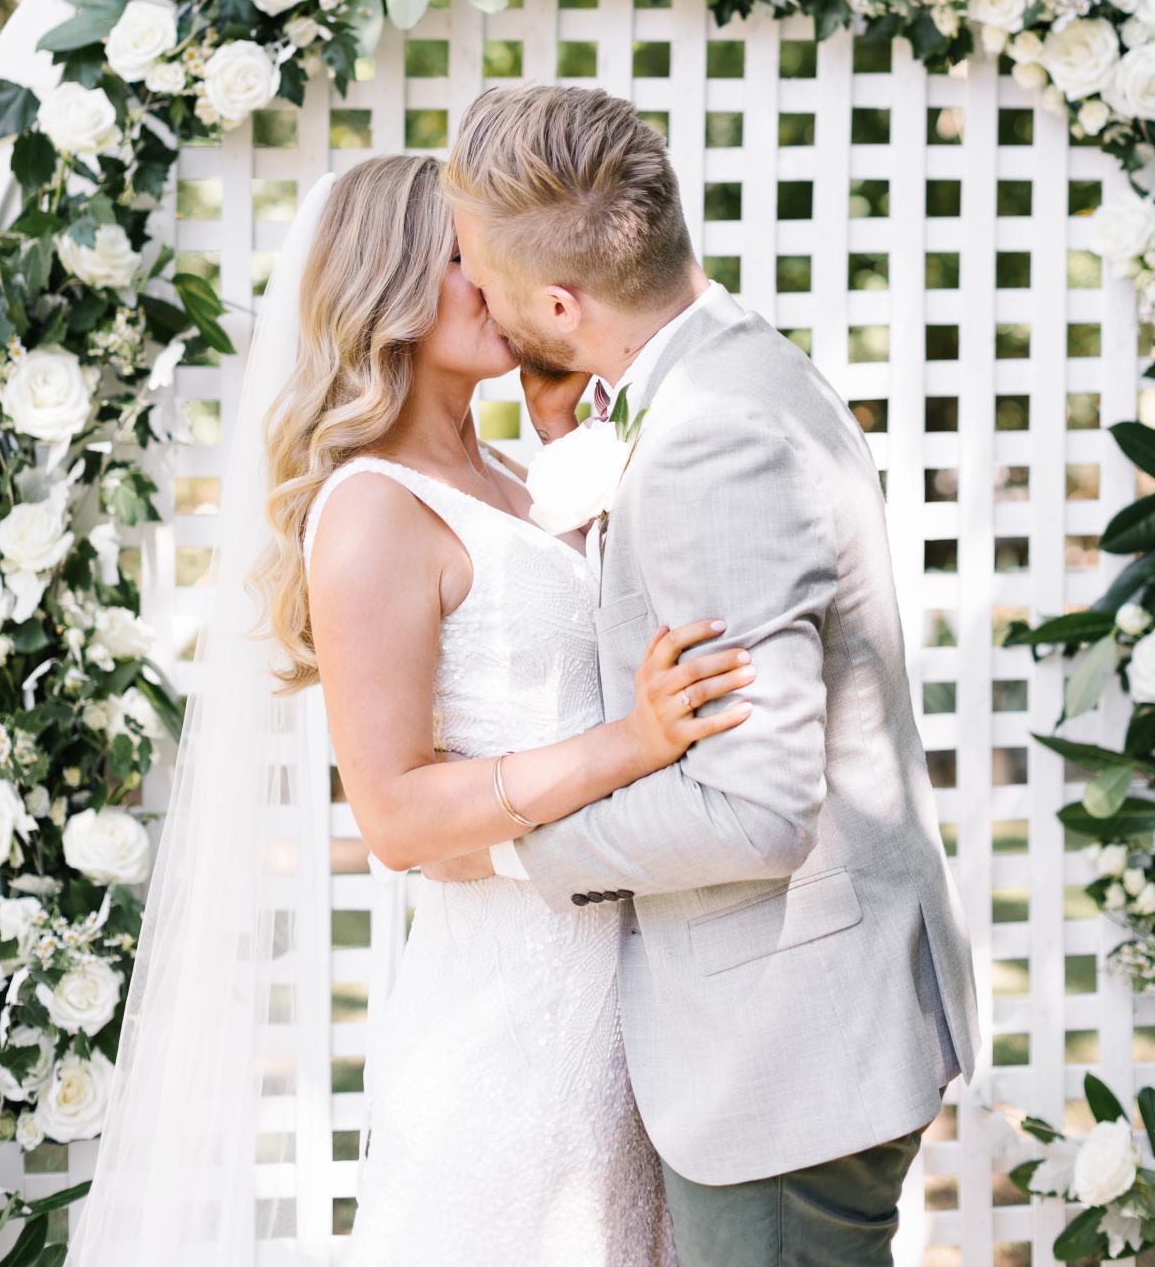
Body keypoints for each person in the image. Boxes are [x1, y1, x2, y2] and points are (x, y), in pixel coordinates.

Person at [427, 81, 983, 1267]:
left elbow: (756, 810)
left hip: (783, 1062)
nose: (468, 288)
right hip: (812, 1022)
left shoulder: (709, 443)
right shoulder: (733, 369)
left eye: (482, 267)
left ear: (562, 303)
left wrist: (516, 853)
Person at [274, 152, 756, 1265]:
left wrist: (556, 449)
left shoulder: (507, 472)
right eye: (464, 258)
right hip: (504, 1034)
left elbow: (563, 640)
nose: (497, 281)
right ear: (388, 288)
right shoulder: (370, 510)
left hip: (626, 1006)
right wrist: (634, 742)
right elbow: (393, 815)